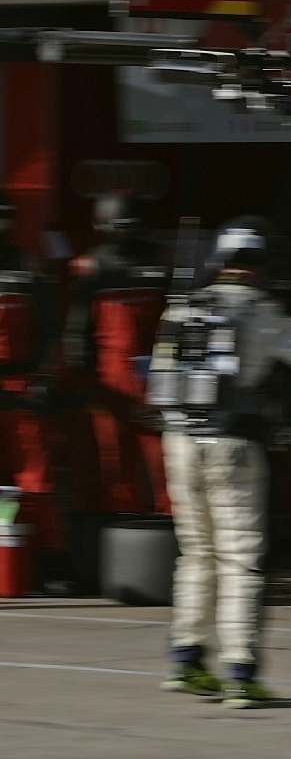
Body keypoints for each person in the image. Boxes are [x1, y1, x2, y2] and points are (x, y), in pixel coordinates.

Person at [149, 219, 291, 707]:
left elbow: (156, 375)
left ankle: (187, 660)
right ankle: (241, 673)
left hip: (178, 440)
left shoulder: (183, 306)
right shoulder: (264, 311)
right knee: (240, 558)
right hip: (233, 447)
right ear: (260, 266)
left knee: (196, 553)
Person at [65, 193, 171, 517]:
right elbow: (76, 333)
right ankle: (123, 525)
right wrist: (83, 381)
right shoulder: (91, 267)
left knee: (160, 463)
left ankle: (159, 524)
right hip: (115, 381)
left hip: (152, 378)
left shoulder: (160, 262)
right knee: (117, 463)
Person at [0, 193, 60, 582]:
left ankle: (48, 564)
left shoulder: (27, 264)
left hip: (21, 385)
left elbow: (52, 329)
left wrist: (43, 379)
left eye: (6, 217)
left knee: (36, 477)